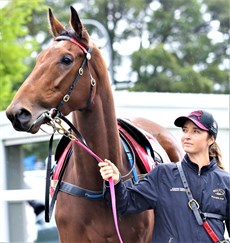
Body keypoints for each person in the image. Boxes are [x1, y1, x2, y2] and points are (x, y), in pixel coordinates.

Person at [99, 110, 230, 242]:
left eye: (196, 131)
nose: (187, 136)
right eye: (185, 130)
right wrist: (115, 182)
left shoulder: (226, 182)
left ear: (211, 139)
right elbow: (126, 204)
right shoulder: (162, 174)